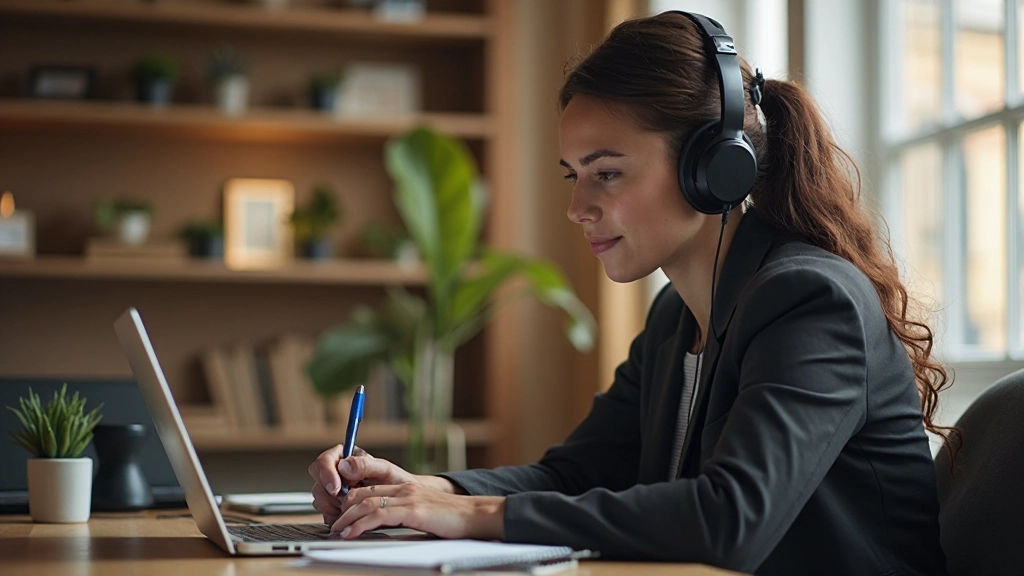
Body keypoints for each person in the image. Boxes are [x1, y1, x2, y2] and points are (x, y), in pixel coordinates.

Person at [308, 11, 953, 575]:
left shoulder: (811, 301)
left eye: (607, 173)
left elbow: (728, 521)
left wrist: (469, 514)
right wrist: (423, 489)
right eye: (574, 175)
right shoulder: (677, 316)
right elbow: (573, 475)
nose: (577, 208)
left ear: (713, 169)